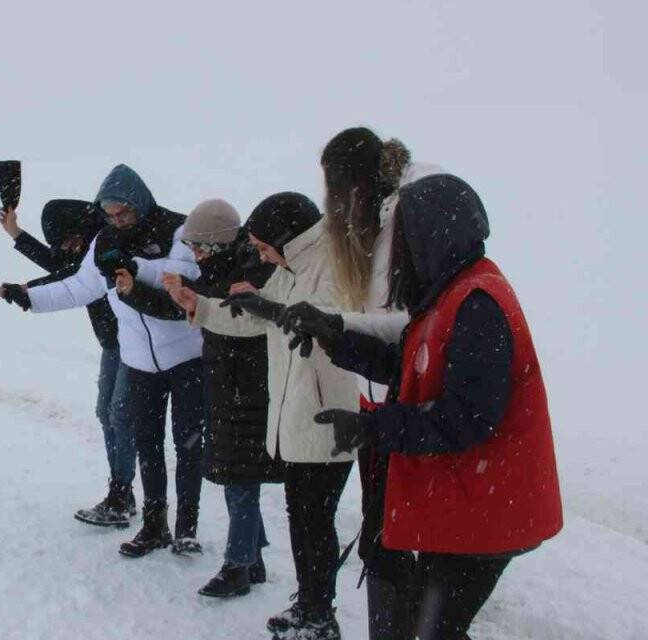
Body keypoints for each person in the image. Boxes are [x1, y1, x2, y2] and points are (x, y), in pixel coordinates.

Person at [282, 174, 563, 639]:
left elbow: (467, 418)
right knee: (432, 627)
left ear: (431, 235)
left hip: (489, 506)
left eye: (405, 237)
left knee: (435, 631)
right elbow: (408, 363)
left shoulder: (477, 304)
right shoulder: (449, 291)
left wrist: (374, 427)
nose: (398, 253)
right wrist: (335, 335)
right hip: (469, 502)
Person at [167, 193, 357, 640]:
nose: (261, 255)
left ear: (287, 239)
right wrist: (201, 304)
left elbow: (326, 330)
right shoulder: (290, 269)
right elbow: (255, 320)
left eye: (264, 246)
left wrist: (266, 307)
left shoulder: (328, 270)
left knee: (315, 522)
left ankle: (320, 616)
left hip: (327, 415)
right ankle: (309, 604)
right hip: (293, 412)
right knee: (301, 517)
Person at [0, 164, 206, 558]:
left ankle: (187, 528)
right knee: (147, 444)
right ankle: (154, 524)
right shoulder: (104, 240)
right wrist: (30, 299)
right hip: (139, 360)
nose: (117, 220)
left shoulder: (179, 230)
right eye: (110, 214)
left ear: (140, 202)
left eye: (123, 212)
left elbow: (179, 280)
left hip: (185, 359)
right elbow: (80, 285)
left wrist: (133, 266)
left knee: (187, 442)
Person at [305, 126, 443, 638]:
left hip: (405, 404)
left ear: (357, 185)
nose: (334, 204)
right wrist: (331, 323)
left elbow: (410, 324)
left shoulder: (404, 221)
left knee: (392, 542)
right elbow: (377, 316)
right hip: (376, 402)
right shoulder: (373, 225)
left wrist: (339, 325)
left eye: (337, 190)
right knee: (382, 537)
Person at [118, 199, 282, 597]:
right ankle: (252, 557)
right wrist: (142, 293)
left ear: (218, 243)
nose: (193, 255)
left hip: (249, 384)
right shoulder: (220, 265)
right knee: (236, 469)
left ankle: (238, 565)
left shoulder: (250, 269)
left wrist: (192, 302)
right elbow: (194, 310)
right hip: (227, 378)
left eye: (199, 247)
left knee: (240, 474)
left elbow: (244, 322)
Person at [0, 199, 133, 526]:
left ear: (81, 229)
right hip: (113, 346)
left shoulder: (108, 242)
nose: (68, 249)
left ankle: (121, 493)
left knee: (121, 416)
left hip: (136, 344)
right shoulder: (83, 245)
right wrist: (17, 234)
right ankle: (122, 493)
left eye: (70, 241)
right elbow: (62, 264)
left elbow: (73, 275)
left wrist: (27, 289)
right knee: (107, 414)